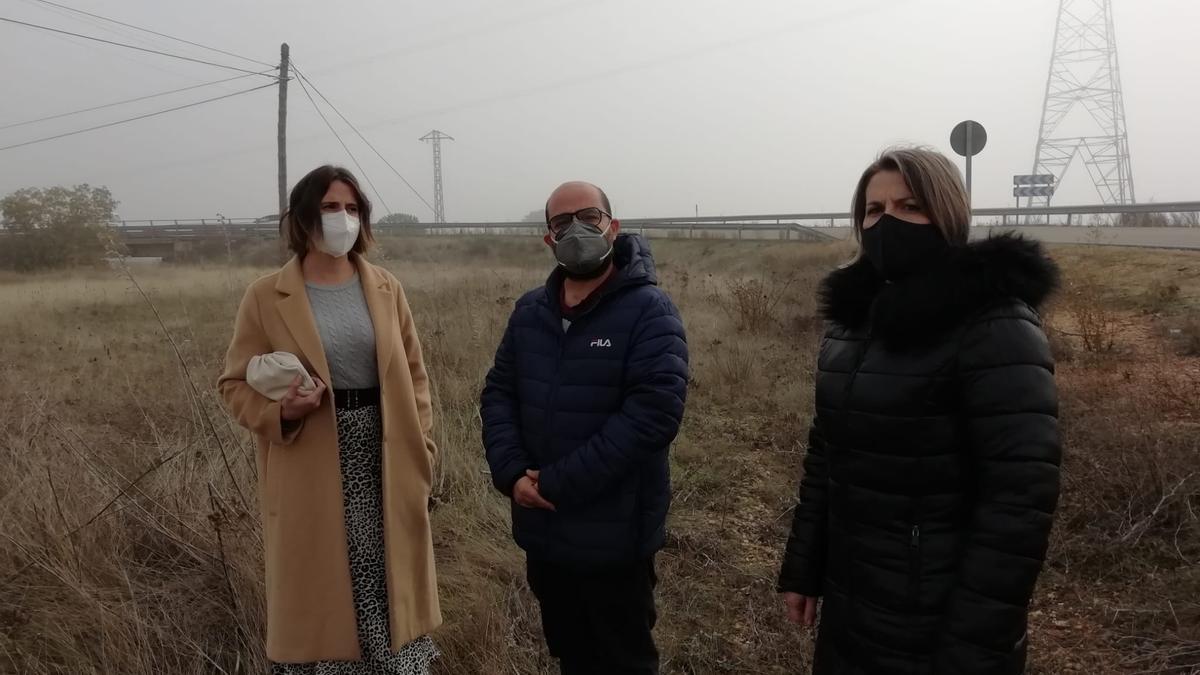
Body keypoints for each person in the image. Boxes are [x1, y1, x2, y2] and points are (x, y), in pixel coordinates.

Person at [777, 147, 1062, 674]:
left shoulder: (994, 324)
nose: (888, 222)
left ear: (947, 214)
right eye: (874, 210)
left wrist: (975, 642)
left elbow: (1018, 503)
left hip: (938, 616)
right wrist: (805, 568)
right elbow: (827, 456)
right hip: (852, 599)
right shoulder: (851, 322)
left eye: (909, 206)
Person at [217, 165, 440, 674]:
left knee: (389, 575)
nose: (343, 218)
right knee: (325, 581)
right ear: (302, 217)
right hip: (312, 453)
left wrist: (422, 446)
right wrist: (281, 413)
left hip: (385, 451)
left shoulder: (386, 288)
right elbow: (233, 385)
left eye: (352, 208)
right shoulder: (265, 295)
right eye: (330, 207)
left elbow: (415, 375)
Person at [480, 181, 689, 674]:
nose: (576, 229)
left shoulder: (650, 312)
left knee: (622, 659)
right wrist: (511, 473)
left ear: (612, 227)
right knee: (571, 653)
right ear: (548, 239)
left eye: (589, 217)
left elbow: (653, 416)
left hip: (615, 537)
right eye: (561, 222)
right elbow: (499, 392)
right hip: (543, 533)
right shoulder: (530, 311)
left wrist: (555, 482)